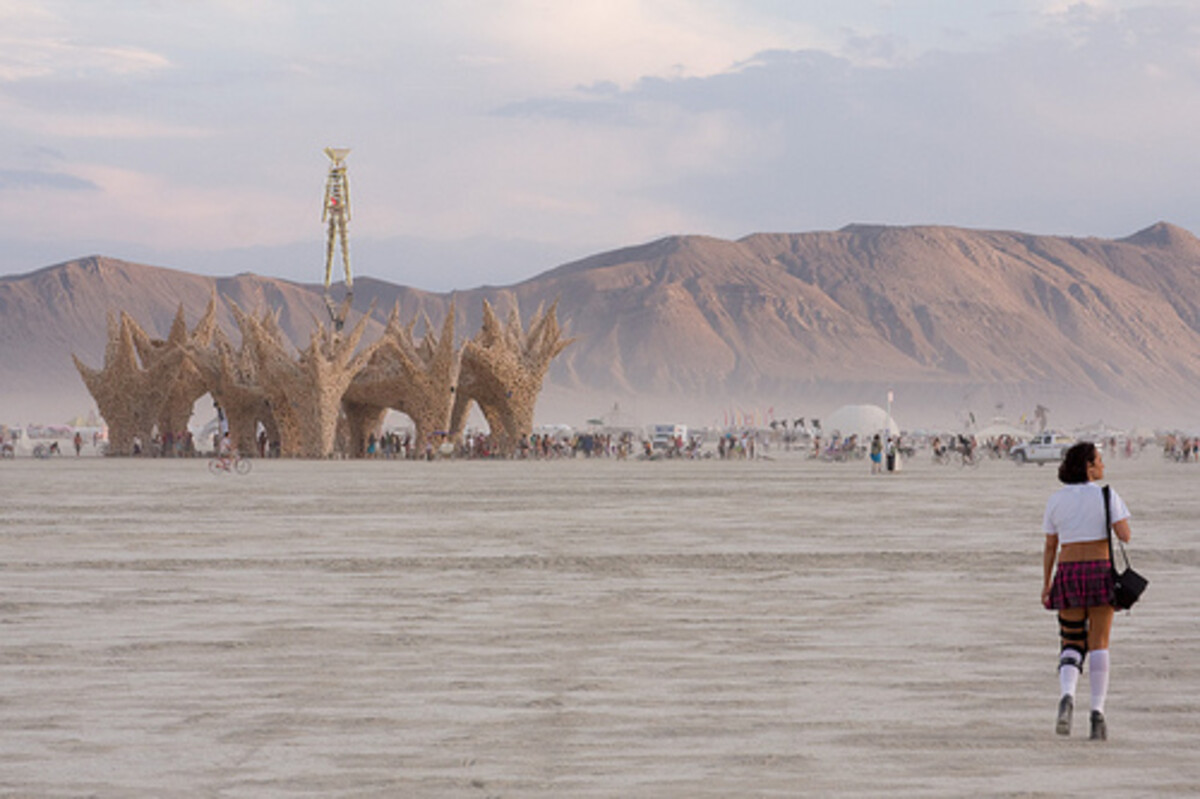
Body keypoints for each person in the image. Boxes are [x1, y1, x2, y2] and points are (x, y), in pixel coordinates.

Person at [1042, 442, 1132, 740]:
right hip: (1099, 570)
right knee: (1099, 643)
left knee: (1071, 640)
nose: (1103, 466)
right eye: (1099, 461)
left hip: (1068, 571)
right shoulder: (1107, 495)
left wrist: (1046, 583)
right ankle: (1097, 714)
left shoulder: (1056, 499)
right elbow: (1125, 536)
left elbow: (1050, 546)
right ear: (1088, 467)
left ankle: (1067, 696)